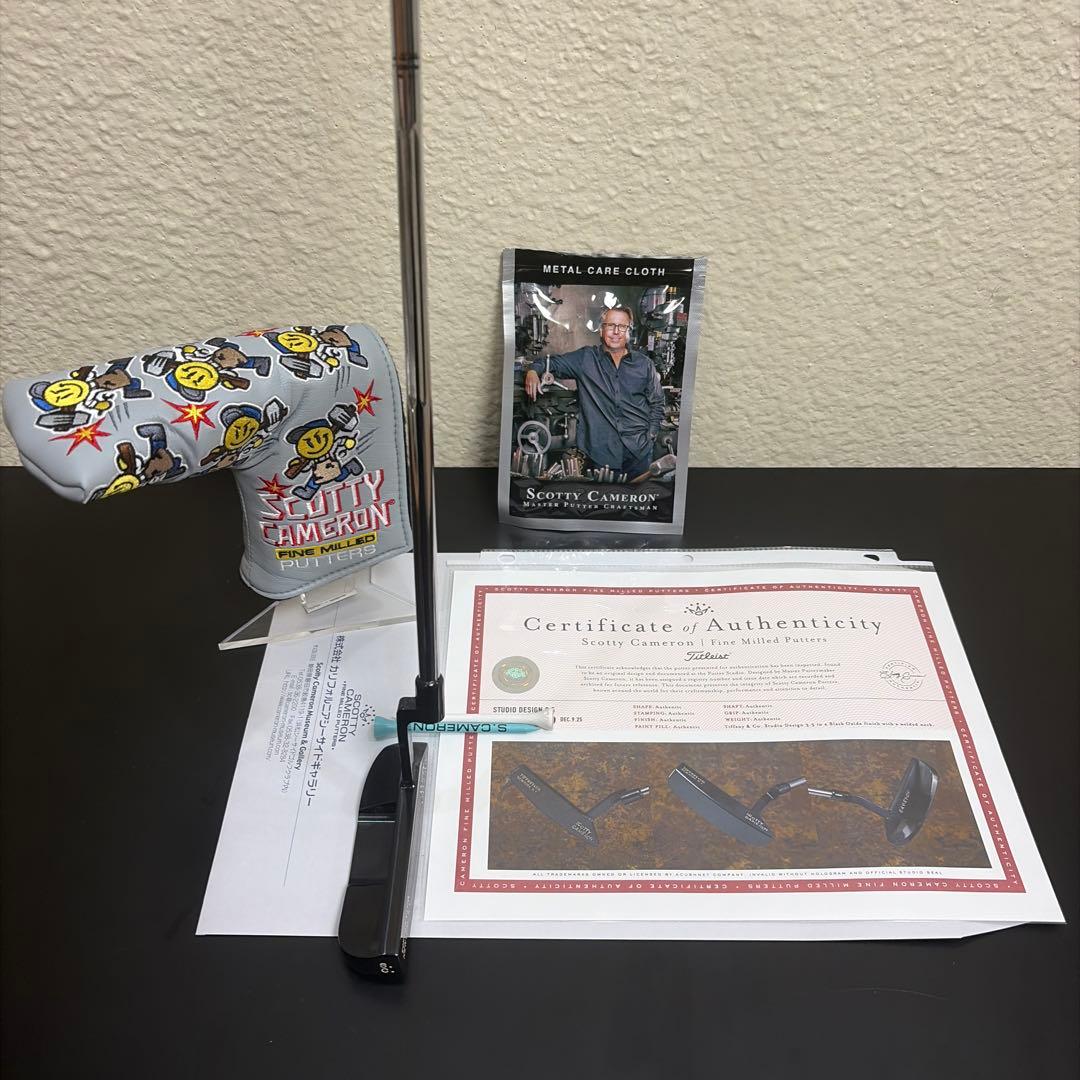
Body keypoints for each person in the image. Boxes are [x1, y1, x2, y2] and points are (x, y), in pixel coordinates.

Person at [523, 305, 664, 479]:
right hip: (601, 454)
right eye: (610, 325)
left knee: (639, 495)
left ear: (629, 331)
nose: (616, 332)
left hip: (639, 452)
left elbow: (657, 402)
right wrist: (533, 372)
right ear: (601, 329)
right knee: (603, 496)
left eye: (622, 326)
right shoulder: (585, 359)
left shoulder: (644, 364)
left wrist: (651, 435)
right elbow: (549, 363)